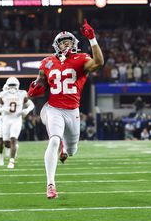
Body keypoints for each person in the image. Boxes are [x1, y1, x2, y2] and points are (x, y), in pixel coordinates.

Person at [28, 19, 104, 198]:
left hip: (72, 111)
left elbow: (99, 62)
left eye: (68, 41)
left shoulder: (81, 58)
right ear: (56, 45)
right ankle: (50, 184)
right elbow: (39, 82)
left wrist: (92, 38)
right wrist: (35, 86)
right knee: (53, 140)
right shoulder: (47, 62)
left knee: (72, 150)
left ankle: (65, 147)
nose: (66, 44)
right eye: (62, 42)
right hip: (53, 108)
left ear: (74, 43)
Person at [0, 77, 34, 169]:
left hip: (16, 119)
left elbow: (31, 105)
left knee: (13, 139)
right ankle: (15, 147)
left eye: (14, 85)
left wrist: (26, 110)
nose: (12, 87)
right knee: (6, 143)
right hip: (6, 120)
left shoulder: (22, 94)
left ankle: (11, 161)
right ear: (7, 86)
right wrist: (4, 109)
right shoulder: (3, 95)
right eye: (10, 85)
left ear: (17, 86)